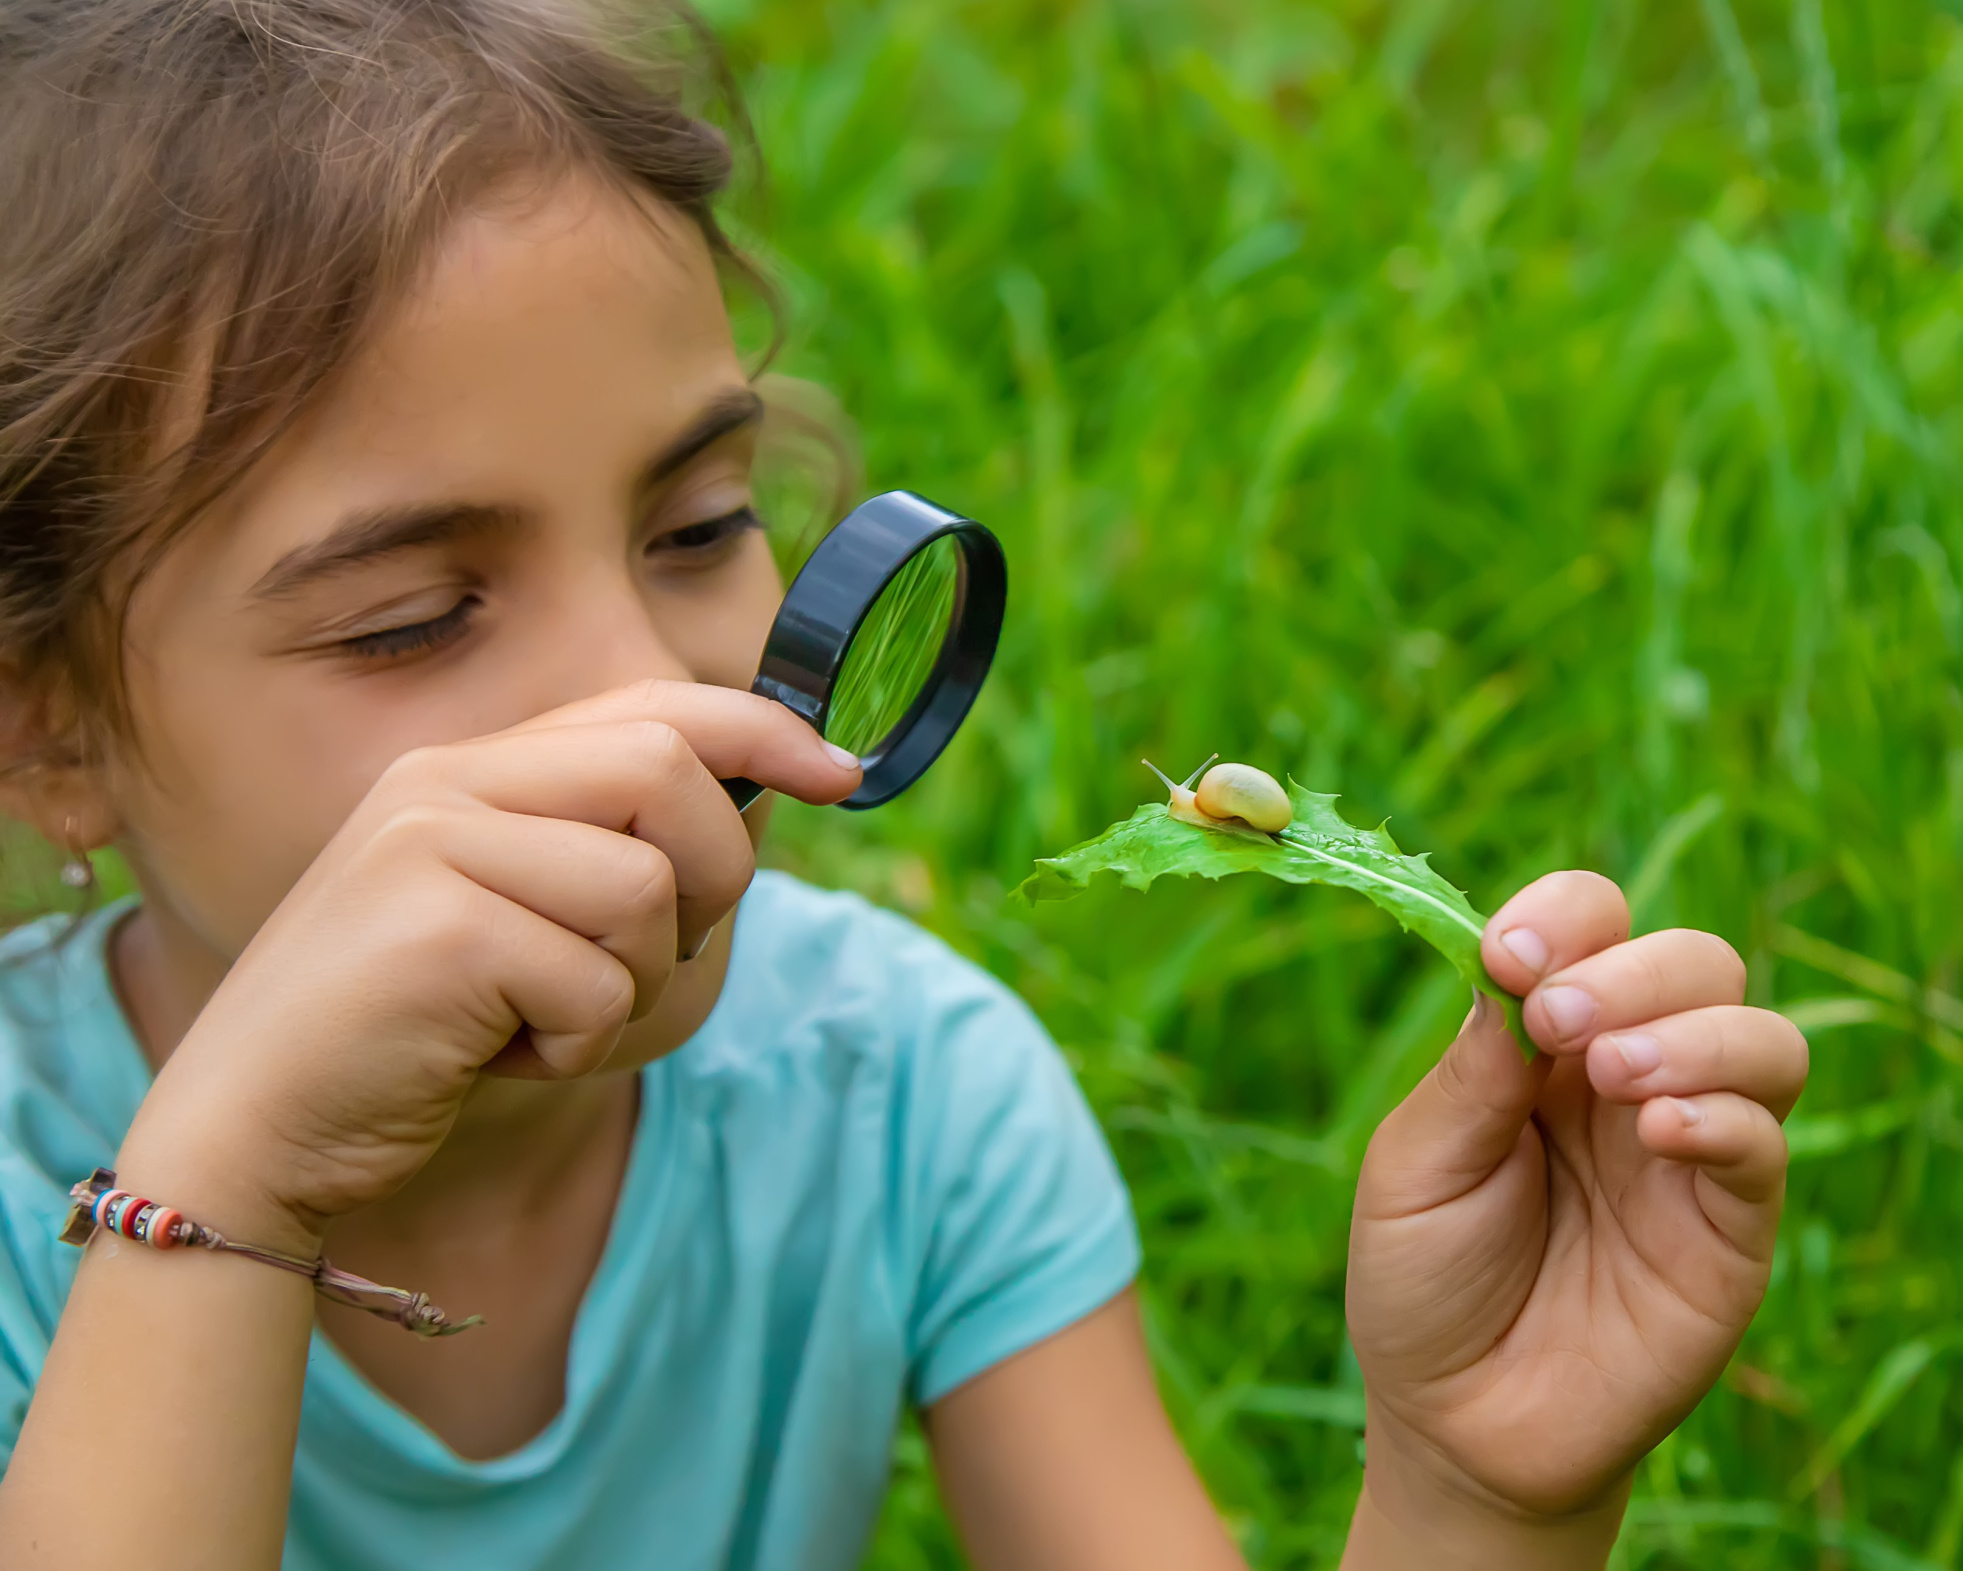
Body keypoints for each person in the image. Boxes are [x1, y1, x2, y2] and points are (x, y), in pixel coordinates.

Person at [0, 1, 1809, 1565]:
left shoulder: (897, 1104)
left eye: (703, 524)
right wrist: (226, 1181)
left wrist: (1479, 1500)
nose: (649, 692)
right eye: (409, 620)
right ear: (49, 732)